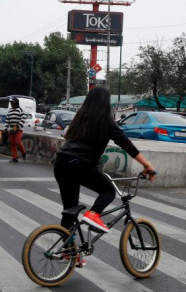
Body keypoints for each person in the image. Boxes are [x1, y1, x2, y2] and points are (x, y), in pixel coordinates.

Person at [55, 86, 156, 236]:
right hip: (79, 164)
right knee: (108, 190)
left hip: (61, 163)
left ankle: (67, 251)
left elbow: (69, 137)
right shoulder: (106, 122)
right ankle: (94, 214)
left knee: (70, 210)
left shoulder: (80, 118)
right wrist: (146, 164)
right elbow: (126, 143)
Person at [6, 98, 27, 163]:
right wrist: (6, 128)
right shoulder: (10, 111)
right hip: (11, 129)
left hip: (18, 129)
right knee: (12, 143)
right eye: (11, 102)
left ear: (16, 102)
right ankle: (15, 158)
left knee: (17, 141)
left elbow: (23, 118)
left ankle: (23, 152)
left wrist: (18, 126)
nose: (11, 103)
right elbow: (7, 120)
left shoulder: (20, 110)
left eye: (13, 102)